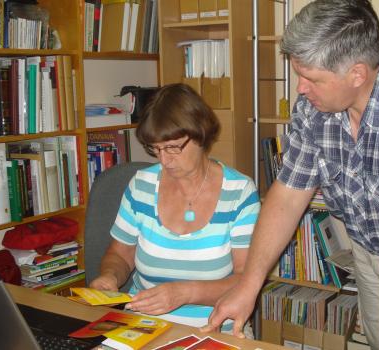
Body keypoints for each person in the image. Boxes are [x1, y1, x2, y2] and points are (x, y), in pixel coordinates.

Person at [202, 1, 379, 349]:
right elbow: (288, 195)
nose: (300, 89)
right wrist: (248, 285)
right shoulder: (313, 108)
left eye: (311, 79)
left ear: (357, 74)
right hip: (369, 246)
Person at [90, 83, 260, 333]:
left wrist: (185, 293)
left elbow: (245, 279)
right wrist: (110, 276)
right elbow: (120, 255)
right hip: (143, 327)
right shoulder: (142, 185)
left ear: (200, 134)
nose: (164, 160)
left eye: (172, 147)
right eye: (156, 149)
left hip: (212, 329)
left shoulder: (239, 192)